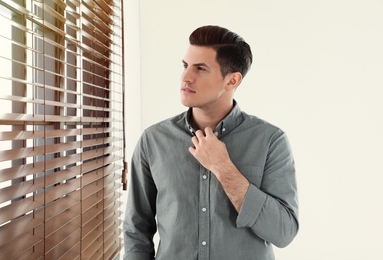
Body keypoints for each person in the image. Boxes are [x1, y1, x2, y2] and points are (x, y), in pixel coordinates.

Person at [123, 25, 299, 260]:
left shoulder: (270, 141)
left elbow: (283, 232)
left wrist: (223, 168)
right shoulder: (153, 141)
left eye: (201, 68)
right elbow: (136, 231)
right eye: (185, 66)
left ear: (232, 80)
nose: (186, 77)